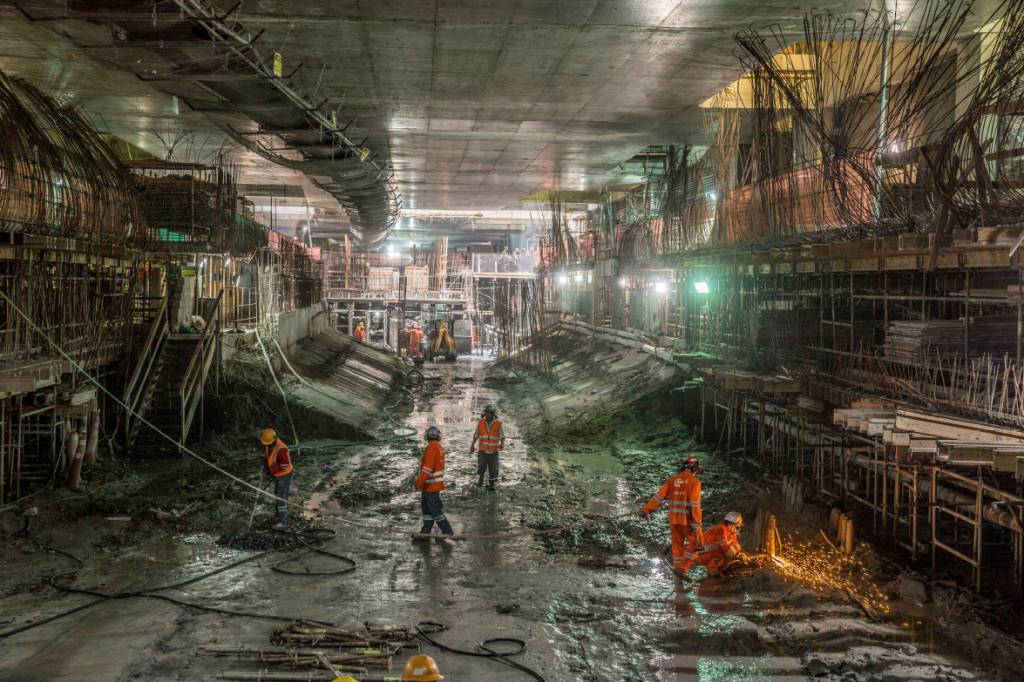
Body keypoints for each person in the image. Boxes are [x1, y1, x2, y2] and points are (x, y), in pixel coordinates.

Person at [640, 456, 703, 576]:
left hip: (674, 521)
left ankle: (678, 570)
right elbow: (695, 505)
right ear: (694, 468)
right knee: (698, 543)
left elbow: (659, 496)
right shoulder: (695, 482)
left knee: (677, 546)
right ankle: (682, 569)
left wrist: (646, 509)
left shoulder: (672, 480)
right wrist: (697, 523)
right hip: (688, 521)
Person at [414, 426, 453, 537]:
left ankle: (447, 530)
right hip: (430, 486)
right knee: (427, 509)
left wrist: (419, 482)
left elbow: (427, 469)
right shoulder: (439, 447)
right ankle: (426, 530)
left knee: (434, 509)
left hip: (430, 485)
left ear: (427, 436)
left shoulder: (431, 448)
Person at [696, 511, 748, 576]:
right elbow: (726, 548)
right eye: (737, 527)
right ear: (731, 524)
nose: (738, 530)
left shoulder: (731, 534)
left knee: (731, 549)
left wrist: (743, 553)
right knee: (726, 551)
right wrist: (738, 555)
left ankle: (721, 568)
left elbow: (736, 545)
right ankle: (713, 570)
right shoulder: (721, 530)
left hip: (707, 552)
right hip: (701, 555)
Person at [260, 428, 293, 529]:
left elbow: (285, 465)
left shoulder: (281, 448)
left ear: (274, 439)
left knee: (281, 496)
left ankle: (282, 522)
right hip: (277, 474)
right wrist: (265, 468)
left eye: (268, 443)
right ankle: (278, 515)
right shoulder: (268, 445)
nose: (266, 445)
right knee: (277, 493)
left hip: (284, 474)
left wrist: (272, 470)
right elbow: (267, 458)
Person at [469, 404, 505, 489]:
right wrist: (472, 445)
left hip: (493, 452)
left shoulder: (498, 424)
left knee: (493, 469)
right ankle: (480, 481)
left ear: (492, 414)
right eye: (486, 413)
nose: (486, 415)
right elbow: (476, 435)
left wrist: (502, 444)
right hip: (482, 451)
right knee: (481, 466)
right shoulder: (481, 422)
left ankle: (492, 484)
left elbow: (502, 436)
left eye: (488, 413)